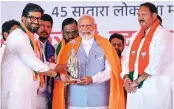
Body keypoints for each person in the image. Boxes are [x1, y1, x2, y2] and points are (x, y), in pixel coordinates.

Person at [1, 3, 70, 109]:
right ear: (23, 18)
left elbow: (39, 61)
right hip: (16, 94)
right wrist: (57, 75)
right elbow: (33, 62)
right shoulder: (18, 36)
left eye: (38, 18)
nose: (36, 22)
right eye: (32, 18)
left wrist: (56, 66)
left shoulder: (32, 37)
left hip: (29, 93)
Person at [52, 15, 125, 109]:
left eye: (89, 25)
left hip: (100, 100)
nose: (85, 28)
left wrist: (93, 79)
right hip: (75, 100)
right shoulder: (69, 47)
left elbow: (111, 71)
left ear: (95, 27)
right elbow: (62, 70)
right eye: (82, 26)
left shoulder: (106, 45)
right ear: (78, 28)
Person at [121, 2, 173, 109]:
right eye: (139, 15)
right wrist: (126, 79)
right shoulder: (136, 36)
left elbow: (157, 62)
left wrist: (136, 82)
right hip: (134, 92)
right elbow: (126, 61)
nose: (140, 18)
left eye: (144, 14)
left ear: (154, 16)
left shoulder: (164, 34)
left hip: (155, 91)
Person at [52, 17, 79, 109]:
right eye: (67, 33)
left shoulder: (85, 48)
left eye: (74, 32)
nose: (71, 35)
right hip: (61, 90)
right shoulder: (55, 49)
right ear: (62, 32)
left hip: (80, 91)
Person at [37, 14, 55, 109]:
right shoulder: (31, 45)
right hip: (30, 93)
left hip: (45, 96)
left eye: (48, 27)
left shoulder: (52, 49)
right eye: (42, 25)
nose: (45, 29)